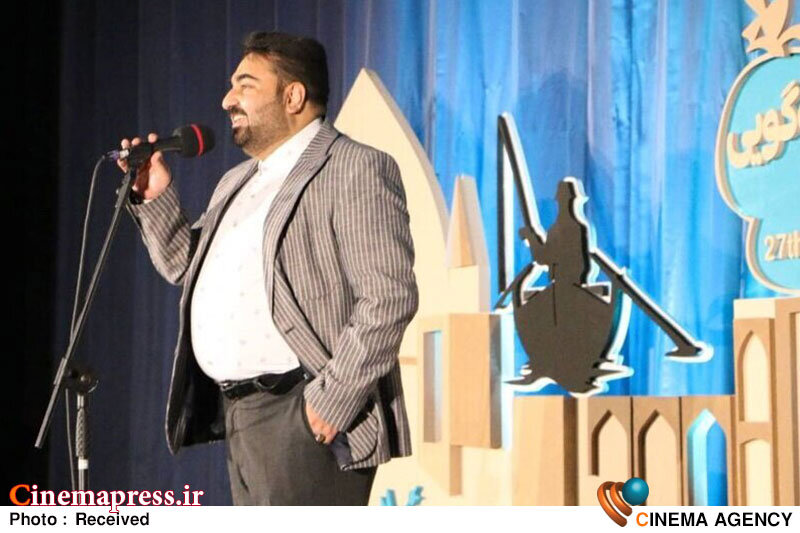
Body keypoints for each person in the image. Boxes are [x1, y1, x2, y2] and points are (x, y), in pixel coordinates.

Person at [119, 31, 418, 505]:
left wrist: (330, 404)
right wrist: (155, 196)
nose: (227, 99)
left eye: (245, 85)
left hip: (303, 416)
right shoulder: (236, 181)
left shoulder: (353, 167)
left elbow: (389, 298)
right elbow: (184, 267)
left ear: (293, 96)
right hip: (239, 415)